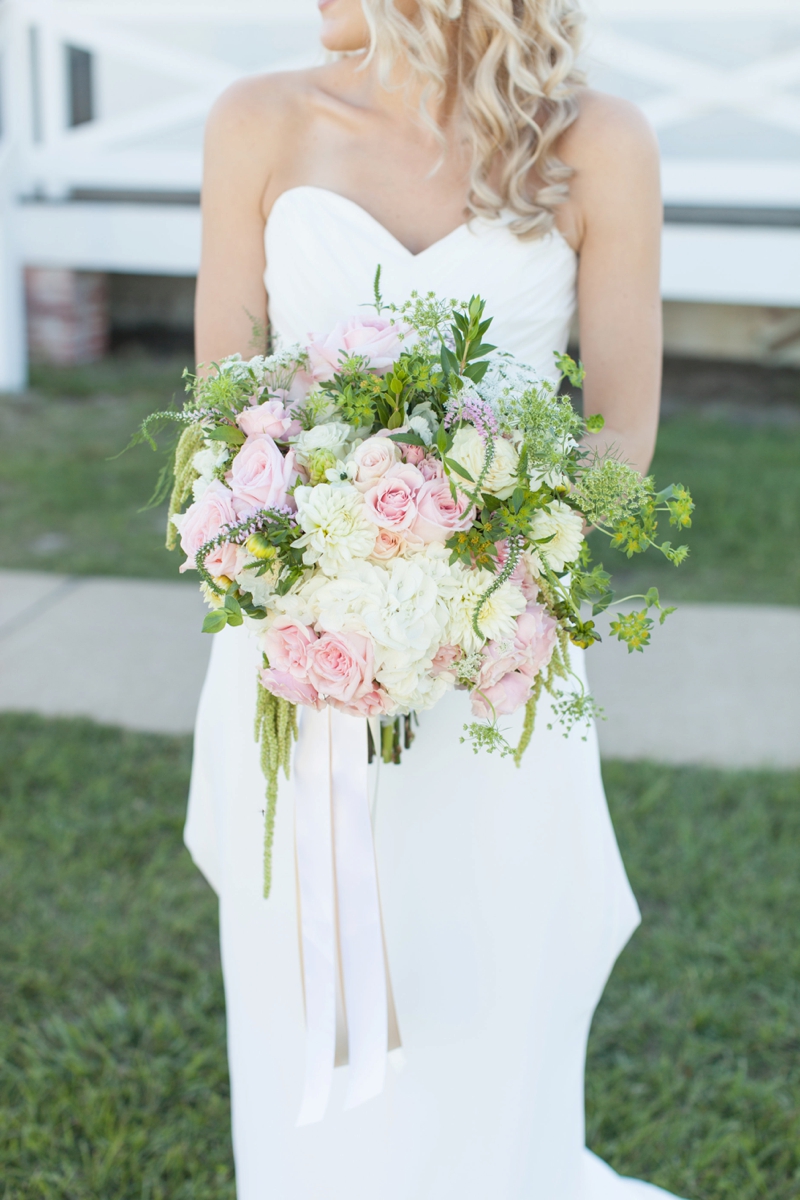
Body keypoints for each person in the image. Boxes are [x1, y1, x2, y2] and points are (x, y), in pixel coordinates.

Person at [186, 1, 682, 1197]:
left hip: (494, 671)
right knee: (304, 994)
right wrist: (324, 581)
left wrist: (469, 577)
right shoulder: (257, 122)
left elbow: (617, 444)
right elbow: (218, 414)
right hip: (300, 666)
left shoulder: (596, 143)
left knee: (487, 982)